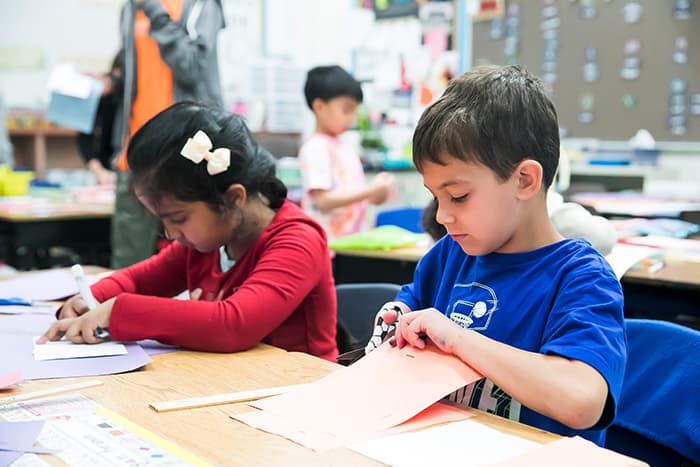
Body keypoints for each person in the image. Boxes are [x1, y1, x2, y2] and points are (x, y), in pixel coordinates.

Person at [371, 65, 626, 445]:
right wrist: (397, 321)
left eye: (458, 196)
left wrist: (458, 338)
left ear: (524, 180)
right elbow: (406, 312)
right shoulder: (449, 256)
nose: (442, 216)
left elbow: (583, 401)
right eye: (435, 197)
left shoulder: (581, 277)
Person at [38, 102, 338, 361]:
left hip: (301, 399)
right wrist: (92, 299)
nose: (170, 234)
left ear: (233, 198)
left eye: (178, 218)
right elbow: (136, 280)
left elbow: (233, 325)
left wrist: (118, 311)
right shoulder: (205, 243)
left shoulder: (298, 241)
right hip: (232, 390)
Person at [105, 0, 225, 268]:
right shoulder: (130, 8)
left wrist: (155, 11)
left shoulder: (202, 5)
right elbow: (137, 77)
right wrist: (110, 83)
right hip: (134, 152)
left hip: (187, 152)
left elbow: (192, 67)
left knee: (198, 261)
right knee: (127, 262)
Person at [299, 65, 395, 241]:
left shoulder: (345, 148)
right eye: (346, 110)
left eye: (354, 111)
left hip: (353, 243)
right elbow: (323, 202)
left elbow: (354, 199)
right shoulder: (315, 148)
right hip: (328, 247)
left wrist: (378, 193)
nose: (351, 117)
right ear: (319, 107)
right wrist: (370, 189)